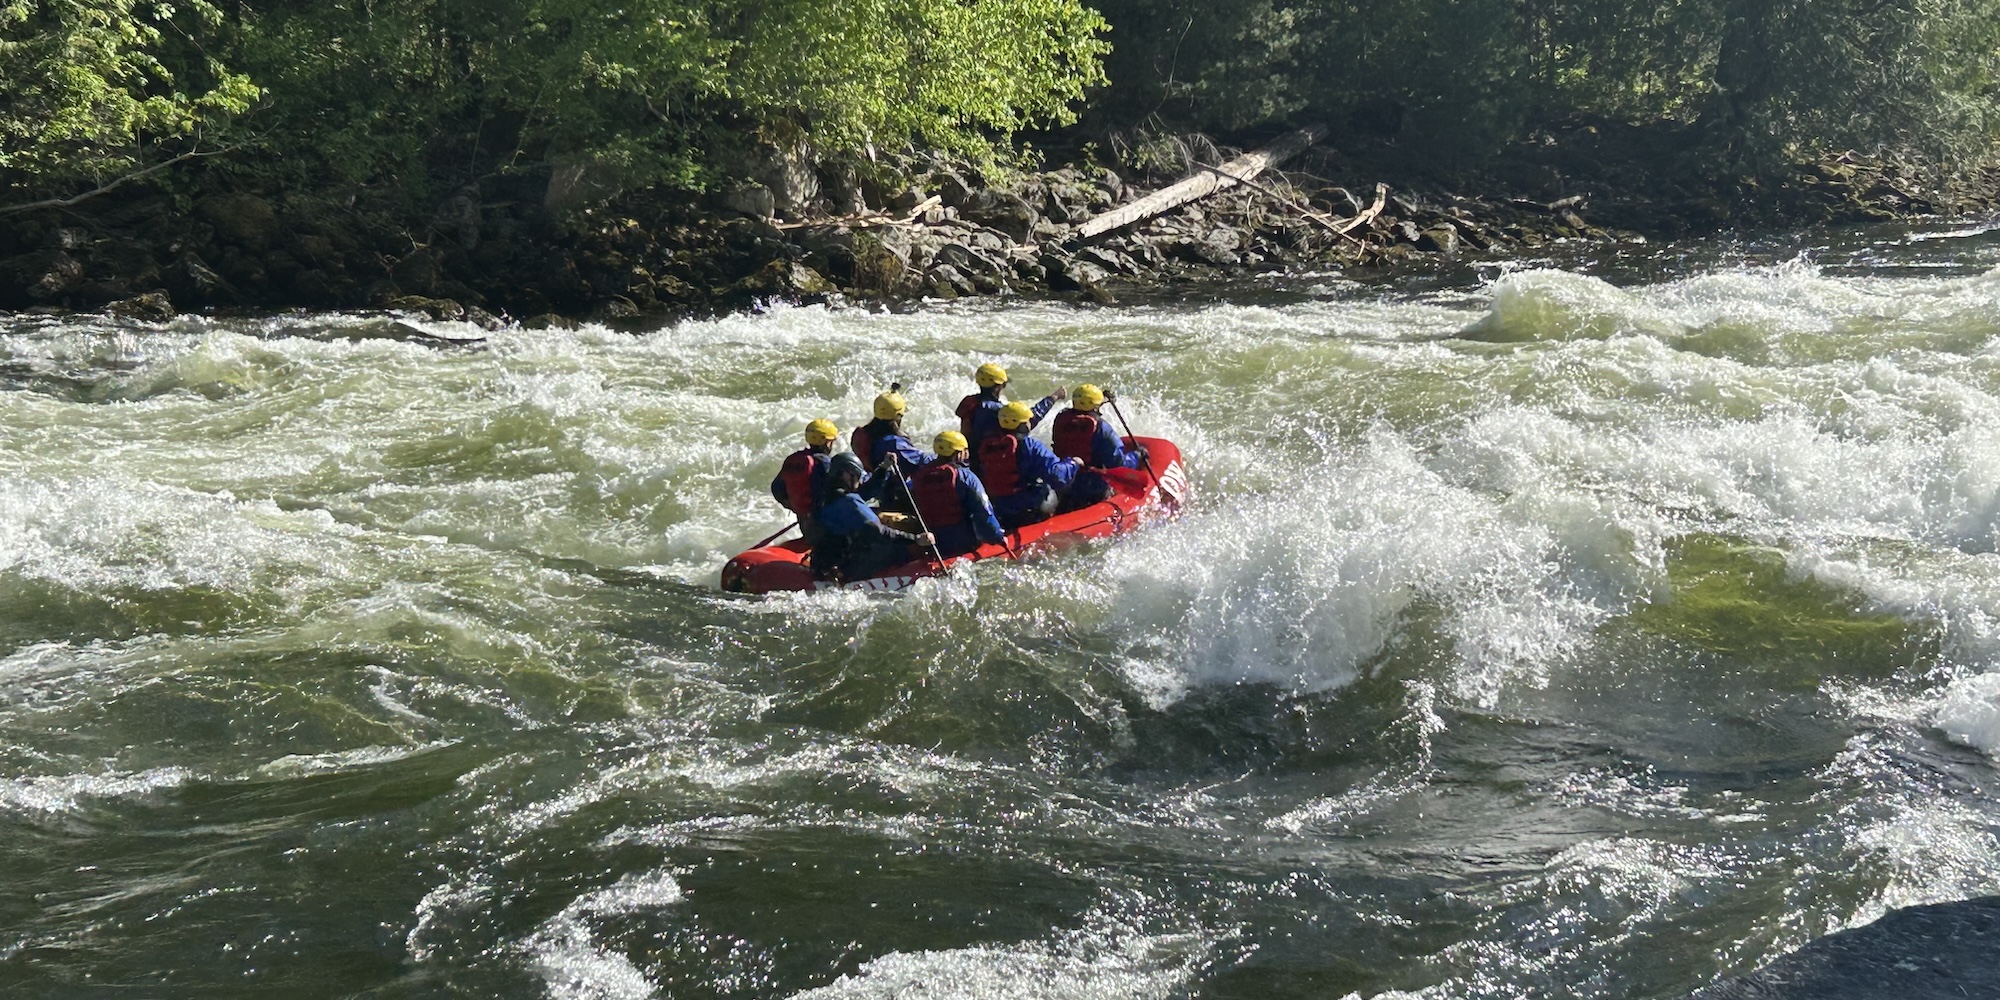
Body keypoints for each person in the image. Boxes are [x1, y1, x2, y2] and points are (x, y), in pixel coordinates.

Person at [814, 452, 935, 581]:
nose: (860, 481)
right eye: (858, 476)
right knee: (902, 549)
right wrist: (915, 539)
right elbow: (878, 531)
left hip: (824, 560)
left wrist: (884, 468)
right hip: (846, 565)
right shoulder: (848, 502)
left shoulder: (827, 493)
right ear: (846, 475)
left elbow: (864, 492)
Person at [977, 400, 1081, 529]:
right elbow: (1058, 477)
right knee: (1053, 491)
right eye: (1027, 421)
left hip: (999, 508)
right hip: (1027, 508)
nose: (1030, 423)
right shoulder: (1030, 446)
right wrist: (1073, 463)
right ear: (1021, 425)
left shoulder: (987, 443)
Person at [910, 430, 1006, 559]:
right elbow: (983, 511)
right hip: (962, 541)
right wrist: (997, 537)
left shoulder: (919, 477)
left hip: (932, 541)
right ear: (958, 454)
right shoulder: (966, 477)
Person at [1050, 384, 1145, 507]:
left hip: (1064, 481)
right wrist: (1137, 456)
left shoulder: (1061, 420)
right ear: (1095, 406)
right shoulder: (1102, 429)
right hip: (1092, 488)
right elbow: (1119, 464)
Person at [955, 362, 1063, 457]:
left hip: (971, 457)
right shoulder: (998, 410)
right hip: (992, 460)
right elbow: (1029, 420)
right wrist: (1053, 398)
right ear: (999, 386)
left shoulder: (969, 402)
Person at [770, 418, 839, 544]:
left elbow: (777, 488)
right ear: (826, 442)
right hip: (824, 523)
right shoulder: (825, 463)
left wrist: (796, 507)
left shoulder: (794, 459)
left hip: (804, 520)